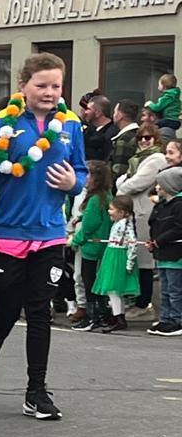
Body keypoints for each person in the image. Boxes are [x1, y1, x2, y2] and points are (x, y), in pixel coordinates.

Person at [0, 52, 87, 421]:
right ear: (23, 85)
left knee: (40, 312)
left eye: (56, 86)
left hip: (50, 233)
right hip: (8, 232)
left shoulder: (71, 124)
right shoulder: (3, 123)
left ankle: (37, 390)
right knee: (6, 310)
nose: (49, 92)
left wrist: (74, 183)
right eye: (42, 85)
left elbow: (81, 172)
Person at [116, 122, 167, 321]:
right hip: (136, 212)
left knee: (145, 261)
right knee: (137, 259)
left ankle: (144, 305)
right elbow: (124, 180)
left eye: (148, 137)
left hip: (145, 213)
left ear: (156, 139)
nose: (144, 141)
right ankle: (139, 302)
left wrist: (123, 186)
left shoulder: (156, 159)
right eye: (140, 138)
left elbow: (134, 183)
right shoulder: (136, 159)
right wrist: (124, 183)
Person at [68, 160, 114, 331]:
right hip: (102, 246)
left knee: (89, 283)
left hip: (91, 248)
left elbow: (89, 226)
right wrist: (82, 217)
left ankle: (92, 317)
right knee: (97, 282)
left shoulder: (94, 200)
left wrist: (75, 241)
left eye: (87, 174)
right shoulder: (106, 196)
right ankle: (103, 315)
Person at [92, 195, 140, 334]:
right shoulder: (120, 223)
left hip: (117, 257)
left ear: (122, 212)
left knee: (113, 290)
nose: (109, 211)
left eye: (112, 209)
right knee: (114, 290)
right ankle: (119, 316)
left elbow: (132, 245)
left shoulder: (125, 225)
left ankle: (119, 318)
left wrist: (129, 263)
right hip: (112, 255)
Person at [147, 153, 182, 335]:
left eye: (160, 184)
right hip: (162, 255)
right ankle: (165, 318)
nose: (157, 187)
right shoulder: (162, 205)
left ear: (170, 186)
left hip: (176, 255)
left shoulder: (179, 205)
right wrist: (154, 242)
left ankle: (177, 320)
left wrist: (159, 240)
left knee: (175, 290)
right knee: (165, 290)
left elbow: (178, 228)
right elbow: (154, 224)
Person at [110, 101, 141, 180]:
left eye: (115, 112)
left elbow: (119, 170)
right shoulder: (139, 135)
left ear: (120, 116)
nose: (113, 115)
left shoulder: (123, 140)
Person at [82, 94, 117, 165]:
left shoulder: (112, 133)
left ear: (98, 112)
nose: (85, 112)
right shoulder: (87, 131)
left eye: (88, 109)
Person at [145, 73, 180, 139]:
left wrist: (150, 104)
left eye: (159, 85)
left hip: (170, 120)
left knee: (154, 126)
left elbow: (157, 108)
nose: (158, 87)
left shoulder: (167, 96)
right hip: (174, 121)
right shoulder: (174, 96)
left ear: (164, 86)